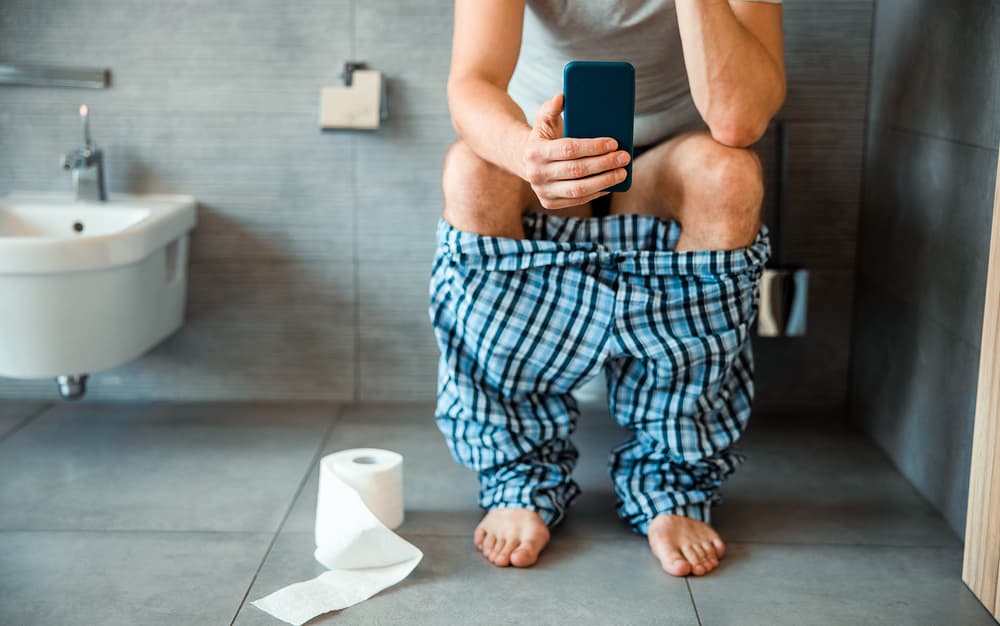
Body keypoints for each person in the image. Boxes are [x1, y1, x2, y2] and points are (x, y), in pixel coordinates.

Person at [430, 0, 785, 577]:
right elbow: (473, 81)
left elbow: (739, 121)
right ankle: (518, 479)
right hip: (541, 153)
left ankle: (670, 485)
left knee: (730, 175)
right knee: (470, 172)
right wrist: (528, 155)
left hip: (668, 162)